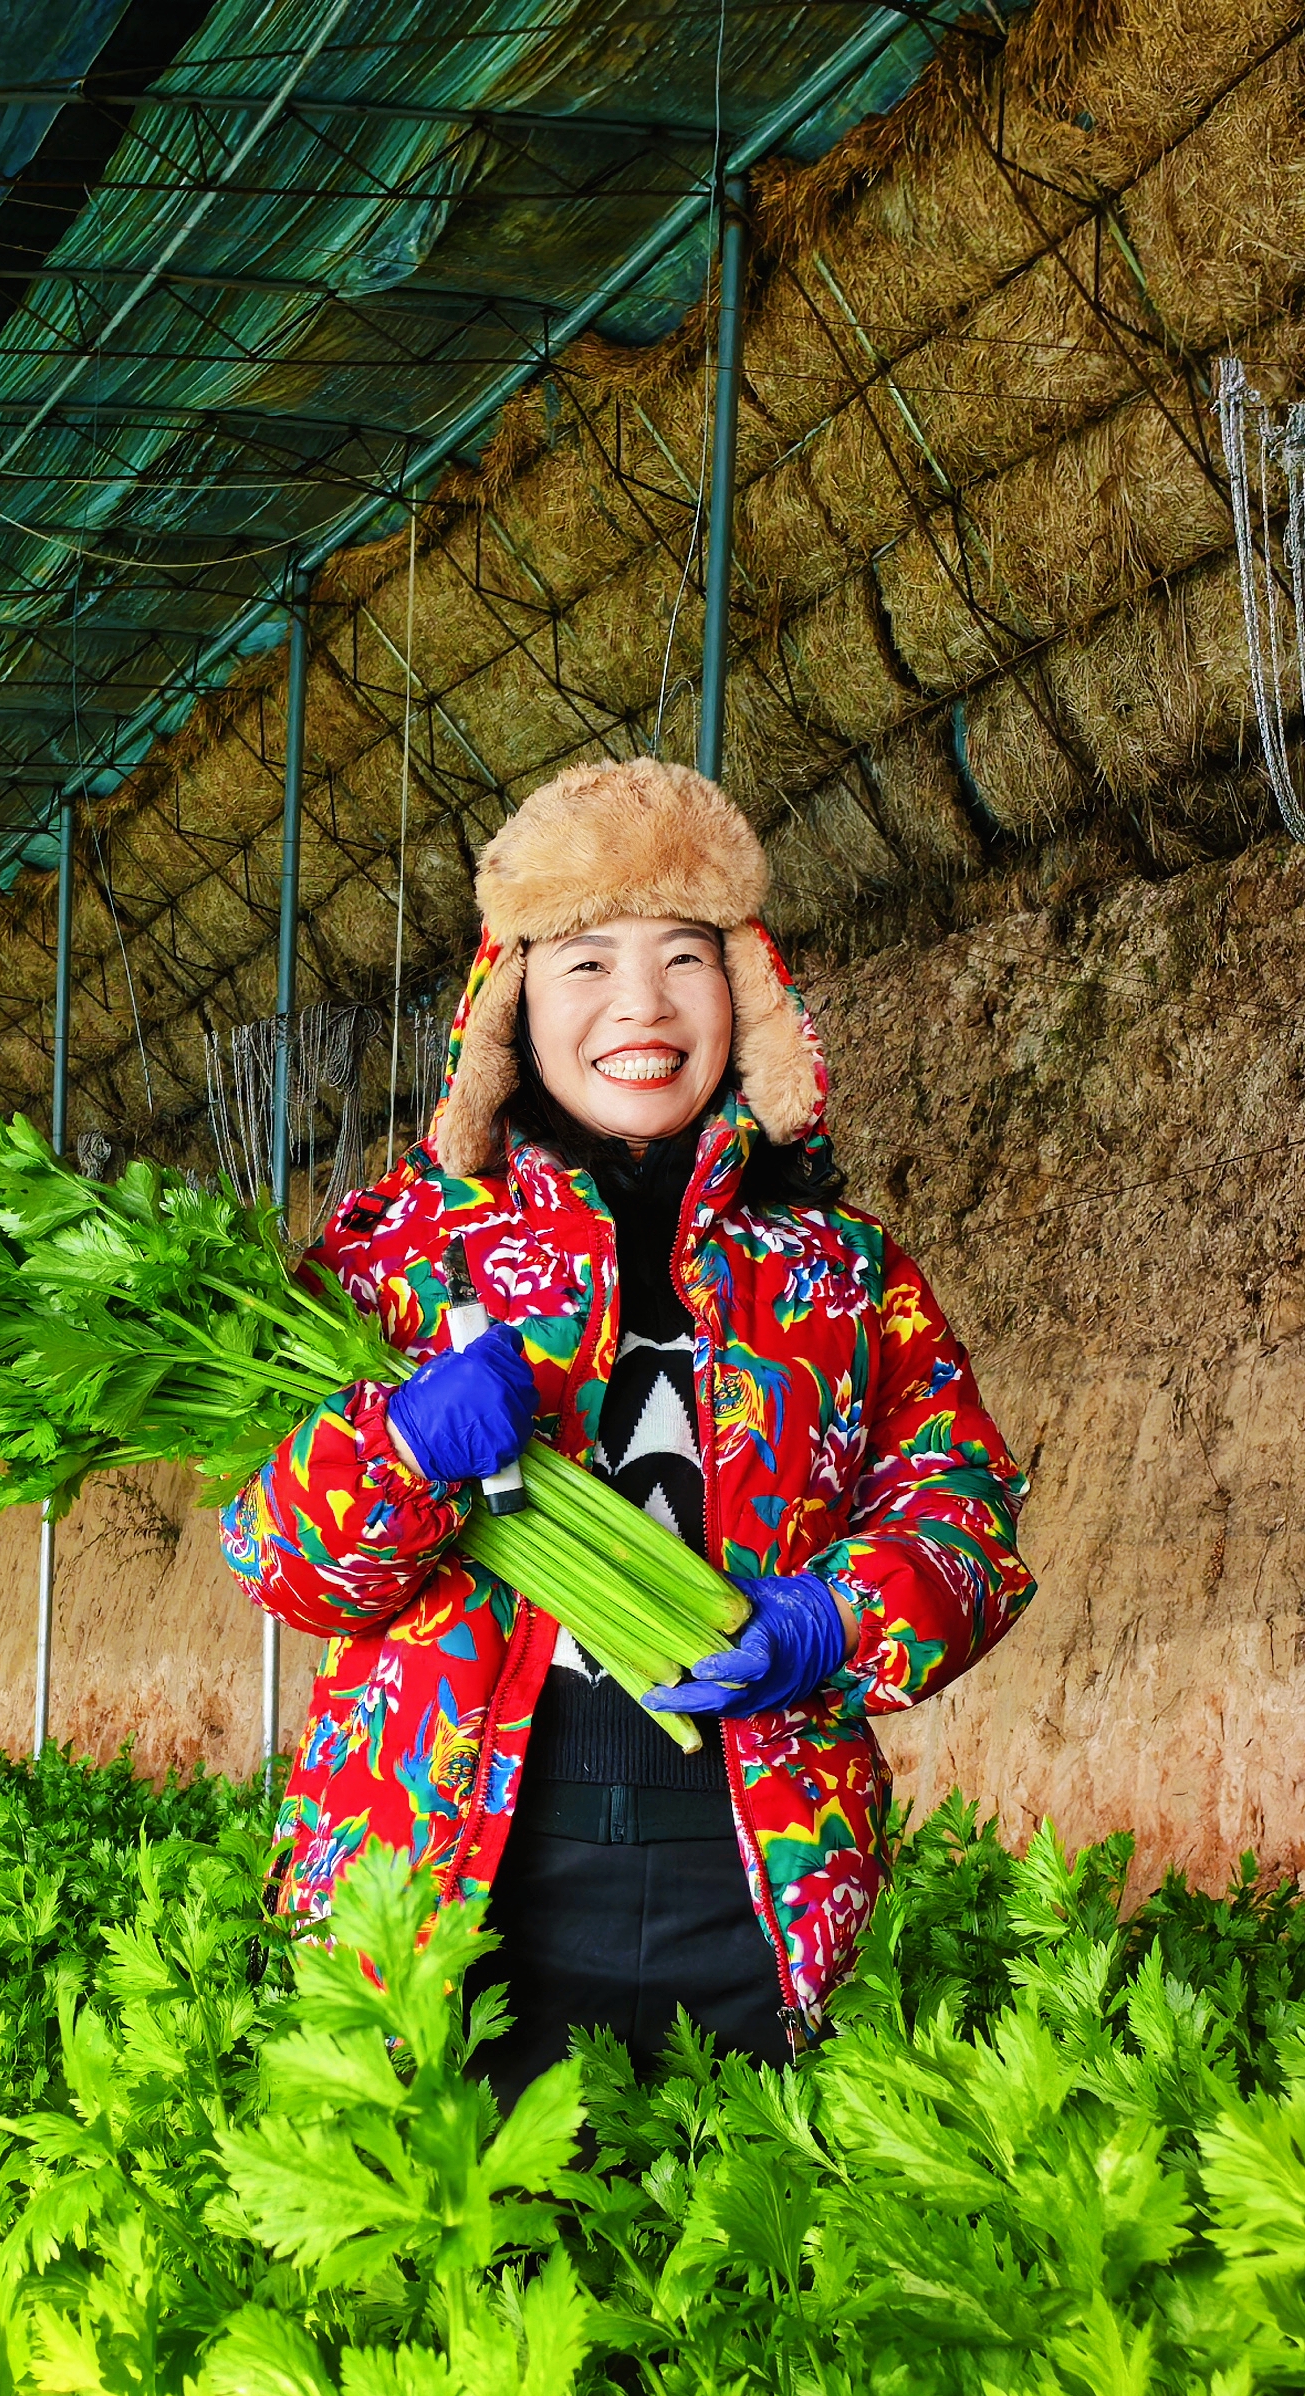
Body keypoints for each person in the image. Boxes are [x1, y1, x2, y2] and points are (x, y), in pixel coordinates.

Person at [222, 755, 1032, 2094]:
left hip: (761, 1900)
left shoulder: (837, 1271)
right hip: (444, 1895)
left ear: (747, 989)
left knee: (743, 2268)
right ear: (509, 1002)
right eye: (585, 962)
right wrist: (403, 1451)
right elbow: (281, 1562)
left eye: (685, 957)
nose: (640, 1006)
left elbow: (968, 1515)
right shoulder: (399, 1255)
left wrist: (834, 1617)